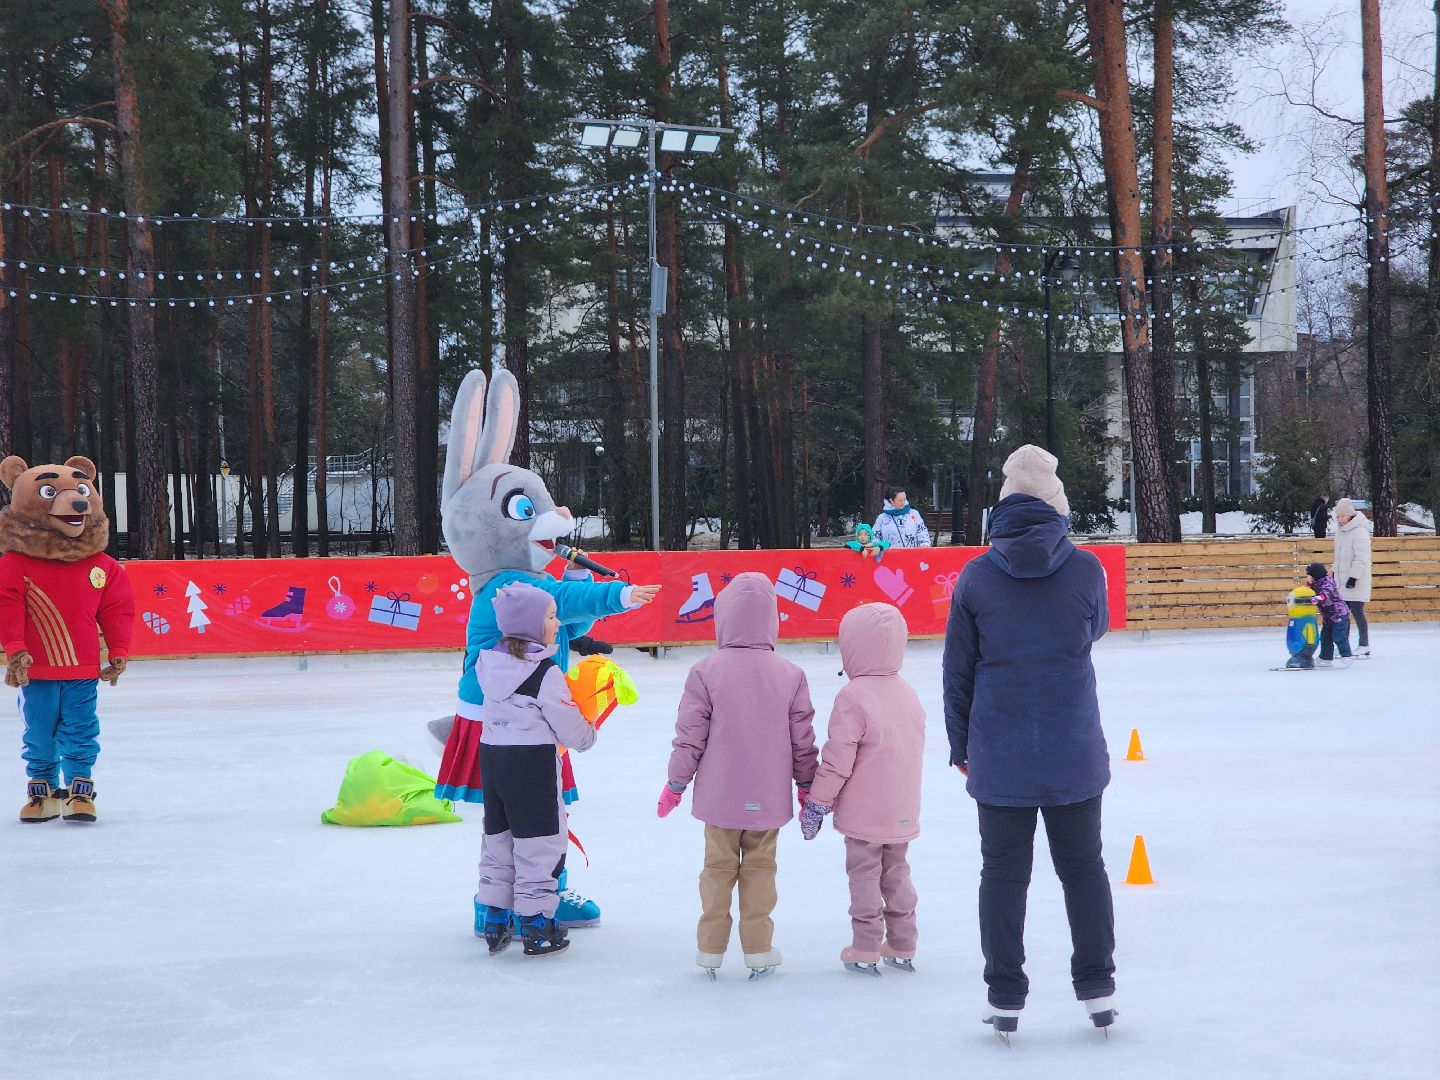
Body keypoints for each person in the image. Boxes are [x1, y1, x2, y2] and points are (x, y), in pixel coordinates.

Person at [941, 444, 1117, 1041]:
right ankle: (1097, 987)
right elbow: (1096, 628)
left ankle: (1005, 996)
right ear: (1056, 506)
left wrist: (961, 745)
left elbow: (958, 668)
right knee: (1084, 868)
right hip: (1073, 745)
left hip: (999, 748)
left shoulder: (977, 574)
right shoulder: (1086, 569)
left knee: (1002, 874)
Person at [657, 573, 818, 981]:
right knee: (761, 869)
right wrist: (806, 785)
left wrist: (675, 784)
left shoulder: (705, 671)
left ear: (723, 618)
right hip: (768, 798)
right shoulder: (790, 674)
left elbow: (689, 738)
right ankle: (759, 949)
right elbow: (803, 741)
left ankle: (710, 948)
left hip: (720, 798)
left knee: (717, 868)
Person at [799, 603, 926, 978]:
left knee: (866, 875)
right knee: (897, 872)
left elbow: (837, 759)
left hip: (863, 814)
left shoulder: (853, 697)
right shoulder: (908, 694)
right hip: (902, 809)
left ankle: (867, 946)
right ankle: (903, 942)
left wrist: (817, 803)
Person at [473, 583, 599, 957]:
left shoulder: (489, 664)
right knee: (539, 844)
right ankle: (537, 924)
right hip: (531, 764)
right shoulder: (544, 672)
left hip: (493, 760)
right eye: (551, 617)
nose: (558, 623)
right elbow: (571, 729)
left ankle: (495, 918)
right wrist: (589, 731)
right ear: (531, 626)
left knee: (499, 839)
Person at [1332, 498, 1372, 657]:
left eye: (1343, 516)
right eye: (1338, 516)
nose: (1341, 519)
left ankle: (1364, 645)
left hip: (1357, 580)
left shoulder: (1360, 532)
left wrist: (1353, 577)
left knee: (1357, 611)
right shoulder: (1340, 532)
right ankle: (1344, 645)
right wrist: (1334, 573)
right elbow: (1339, 558)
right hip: (1342, 581)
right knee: (1343, 614)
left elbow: (1361, 558)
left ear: (1350, 515)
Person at [1305, 561, 1353, 668]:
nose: (1307, 577)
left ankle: (1346, 655)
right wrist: (1310, 586)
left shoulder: (1327, 583)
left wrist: (1315, 599)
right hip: (1329, 617)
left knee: (1339, 636)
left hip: (1339, 615)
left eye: (1309, 575)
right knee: (1325, 637)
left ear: (1315, 575)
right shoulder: (1316, 584)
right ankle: (1325, 658)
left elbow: (1325, 595)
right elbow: (1313, 592)